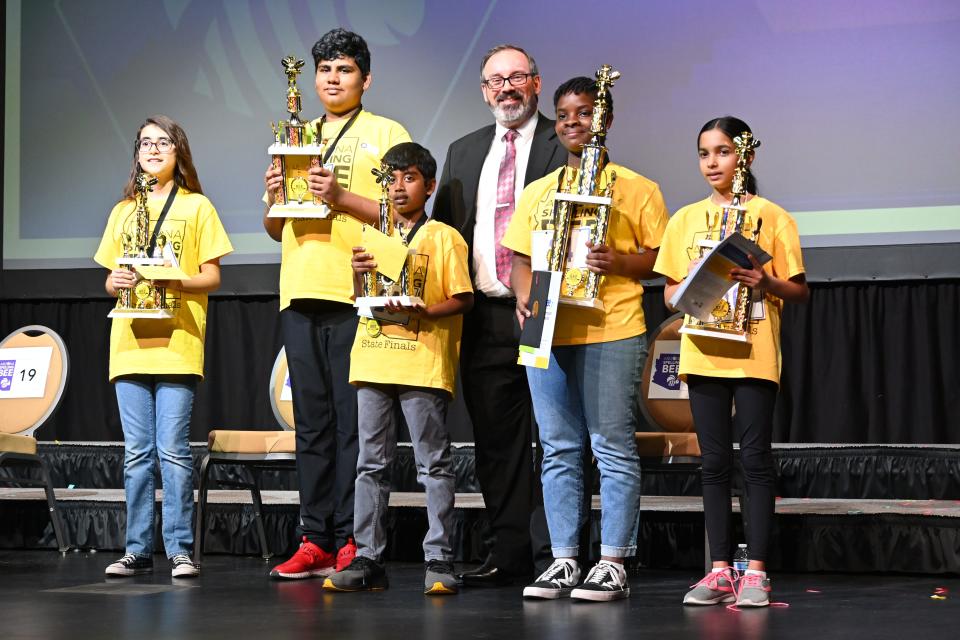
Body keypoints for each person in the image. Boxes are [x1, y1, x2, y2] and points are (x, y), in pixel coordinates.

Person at [504, 77, 669, 602]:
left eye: (584, 113)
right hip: (547, 330)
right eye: (564, 114)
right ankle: (563, 559)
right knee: (557, 448)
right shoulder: (539, 191)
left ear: (606, 121)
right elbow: (520, 261)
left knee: (611, 445)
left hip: (612, 326)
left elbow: (660, 260)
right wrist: (525, 298)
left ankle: (614, 559)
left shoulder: (637, 189)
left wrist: (617, 261)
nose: (574, 122)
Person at [263, 28, 411, 579]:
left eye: (344, 69)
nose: (332, 78)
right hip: (299, 291)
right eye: (325, 69)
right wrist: (278, 195)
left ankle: (354, 538)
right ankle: (314, 536)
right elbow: (274, 228)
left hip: (359, 296)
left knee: (357, 427)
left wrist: (340, 196)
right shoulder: (294, 136)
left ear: (365, 79)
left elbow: (403, 215)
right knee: (313, 425)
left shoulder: (386, 132)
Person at [654, 116, 808, 608]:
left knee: (756, 461)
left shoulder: (772, 216)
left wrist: (765, 282)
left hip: (755, 351)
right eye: (704, 153)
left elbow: (799, 291)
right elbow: (669, 293)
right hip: (702, 352)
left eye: (721, 152)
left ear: (745, 157)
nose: (711, 163)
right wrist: (686, 290)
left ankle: (757, 572)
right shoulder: (684, 220)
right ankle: (719, 570)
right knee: (714, 463)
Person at [432, 44, 566, 586]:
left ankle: (556, 554)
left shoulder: (569, 142)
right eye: (495, 81)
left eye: (516, 78)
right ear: (484, 90)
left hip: (544, 308)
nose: (505, 88)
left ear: (536, 83)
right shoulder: (463, 151)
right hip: (484, 315)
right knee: (497, 441)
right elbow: (442, 233)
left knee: (557, 437)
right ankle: (509, 553)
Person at [322, 142, 473, 595]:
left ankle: (440, 558)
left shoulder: (444, 236)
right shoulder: (371, 234)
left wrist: (425, 311)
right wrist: (356, 273)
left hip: (422, 363)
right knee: (370, 463)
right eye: (391, 179)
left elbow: (463, 298)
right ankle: (368, 557)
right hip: (372, 358)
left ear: (428, 186)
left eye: (409, 178)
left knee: (432, 462)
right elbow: (359, 299)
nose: (398, 187)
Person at [95, 115, 233, 578]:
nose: (153, 149)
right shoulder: (122, 211)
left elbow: (212, 276)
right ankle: (136, 547)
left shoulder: (196, 207)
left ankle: (179, 549)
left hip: (178, 340)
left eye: (163, 142)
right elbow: (112, 277)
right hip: (129, 343)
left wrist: (174, 276)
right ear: (136, 154)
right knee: (136, 453)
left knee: (172, 449)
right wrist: (113, 281)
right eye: (145, 143)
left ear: (179, 151)